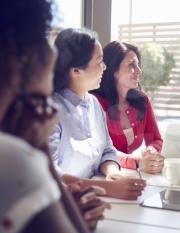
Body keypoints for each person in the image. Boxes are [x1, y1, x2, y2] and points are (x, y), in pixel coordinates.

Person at [0, 1, 108, 232]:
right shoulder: (11, 158)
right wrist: (39, 149)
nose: (53, 54)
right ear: (19, 52)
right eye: (41, 37)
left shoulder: (93, 103)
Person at [49, 28, 146, 200]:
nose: (104, 67)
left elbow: (107, 150)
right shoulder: (51, 111)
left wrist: (113, 173)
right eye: (100, 61)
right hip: (62, 203)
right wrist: (107, 188)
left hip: (92, 199)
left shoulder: (93, 103)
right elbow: (50, 173)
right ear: (76, 70)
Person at [92, 41, 164, 174]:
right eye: (132, 65)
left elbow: (155, 139)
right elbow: (102, 151)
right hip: (103, 176)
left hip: (126, 174)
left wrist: (151, 151)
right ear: (114, 70)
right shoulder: (94, 103)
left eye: (138, 64)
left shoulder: (142, 101)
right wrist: (135, 163)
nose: (139, 71)